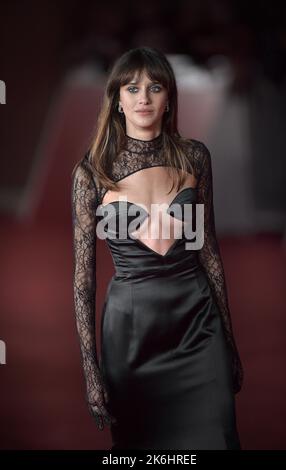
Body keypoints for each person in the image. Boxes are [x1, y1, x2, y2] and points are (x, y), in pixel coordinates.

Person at [71, 46, 244, 450]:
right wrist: (90, 369)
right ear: (116, 100)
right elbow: (83, 278)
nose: (143, 98)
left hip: (199, 326)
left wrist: (229, 344)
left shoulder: (195, 157)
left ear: (169, 99)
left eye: (155, 87)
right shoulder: (92, 173)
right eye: (131, 89)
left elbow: (210, 255)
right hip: (132, 335)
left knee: (218, 438)